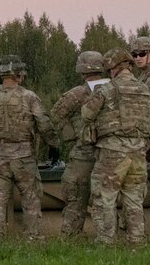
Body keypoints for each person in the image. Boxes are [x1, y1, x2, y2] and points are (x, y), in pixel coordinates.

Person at [0, 55, 59, 242]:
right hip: (23, 156)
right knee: (30, 198)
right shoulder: (29, 97)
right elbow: (44, 124)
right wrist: (54, 145)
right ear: (20, 75)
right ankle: (33, 237)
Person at [81, 48, 150, 246]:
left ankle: (106, 241)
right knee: (134, 198)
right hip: (138, 151)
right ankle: (137, 242)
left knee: (105, 196)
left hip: (113, 151)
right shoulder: (144, 89)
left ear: (113, 68)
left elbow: (87, 114)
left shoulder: (108, 89)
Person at [49, 50, 107, 238]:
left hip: (84, 154)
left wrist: (71, 137)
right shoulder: (114, 89)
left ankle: (71, 238)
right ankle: (109, 239)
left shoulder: (77, 93)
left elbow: (57, 114)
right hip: (111, 152)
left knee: (75, 198)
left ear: (81, 71)